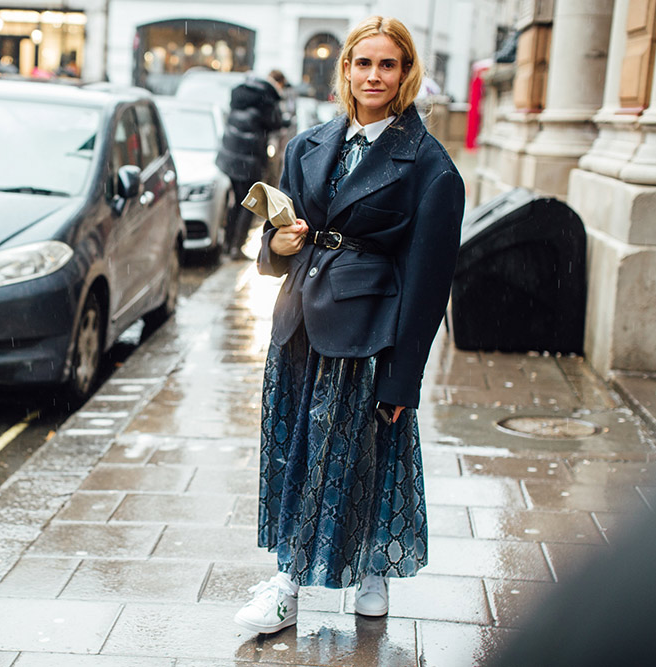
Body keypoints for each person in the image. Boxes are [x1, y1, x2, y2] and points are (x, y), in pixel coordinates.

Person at [234, 15, 464, 634]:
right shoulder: (308, 143)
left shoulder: (429, 166)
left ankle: (357, 573)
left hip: (367, 331)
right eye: (363, 63)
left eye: (387, 64)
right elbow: (275, 244)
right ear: (346, 70)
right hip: (299, 326)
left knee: (366, 455)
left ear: (406, 73)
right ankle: (288, 580)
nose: (373, 76)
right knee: (297, 454)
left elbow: (429, 281)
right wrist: (279, 241)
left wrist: (402, 379)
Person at [216, 71, 285, 260]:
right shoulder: (267, 98)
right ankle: (236, 247)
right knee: (249, 203)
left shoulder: (243, 91)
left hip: (232, 156)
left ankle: (227, 244)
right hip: (250, 158)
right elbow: (276, 123)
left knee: (235, 202)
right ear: (279, 82)